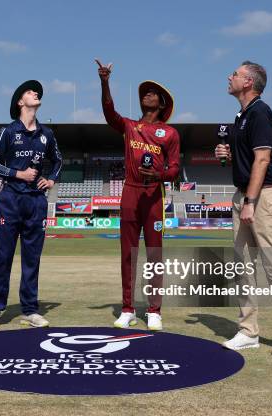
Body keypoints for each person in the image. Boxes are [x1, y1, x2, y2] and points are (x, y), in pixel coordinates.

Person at [215, 61, 272, 356]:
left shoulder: (259, 113)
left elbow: (263, 160)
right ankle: (248, 331)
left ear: (248, 83)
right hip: (245, 194)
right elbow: (244, 160)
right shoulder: (241, 115)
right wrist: (224, 154)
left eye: (235, 74)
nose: (229, 76)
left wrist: (251, 202)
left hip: (264, 198)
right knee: (242, 267)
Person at [96, 59, 180, 331]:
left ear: (162, 103)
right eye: (144, 92)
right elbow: (109, 112)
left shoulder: (170, 133)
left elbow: (175, 168)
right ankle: (128, 308)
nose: (147, 95)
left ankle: (154, 310)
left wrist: (159, 176)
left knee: (154, 253)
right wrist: (105, 82)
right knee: (127, 254)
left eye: (153, 93)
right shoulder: (130, 126)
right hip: (130, 193)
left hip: (154, 196)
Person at [0, 80, 62, 330]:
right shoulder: (7, 131)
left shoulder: (46, 134)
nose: (35, 93)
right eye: (30, 91)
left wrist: (50, 179)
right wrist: (19, 174)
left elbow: (58, 160)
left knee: (32, 258)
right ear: (20, 102)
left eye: (37, 91)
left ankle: (29, 309)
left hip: (36, 203)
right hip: (11, 199)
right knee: (3, 256)